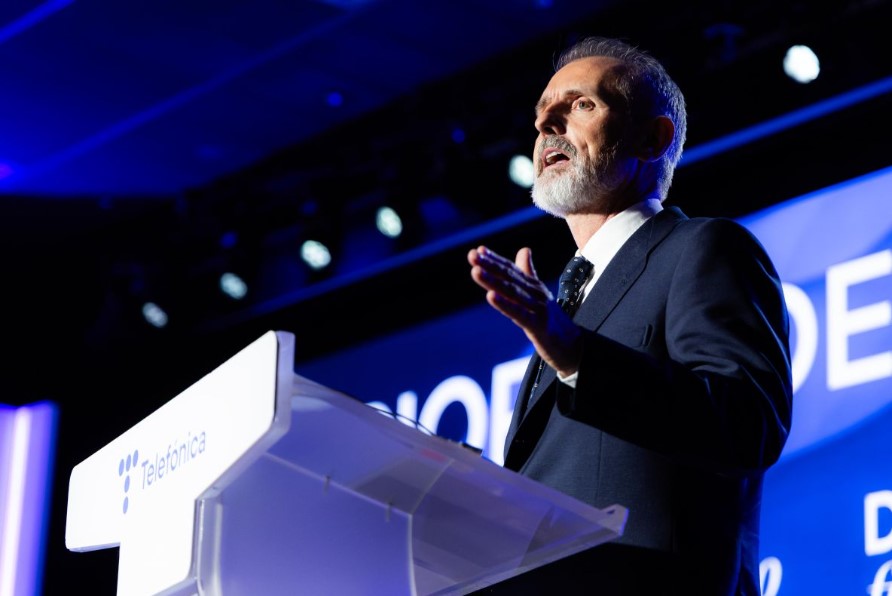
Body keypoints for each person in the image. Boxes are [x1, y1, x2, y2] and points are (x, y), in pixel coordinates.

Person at [467, 36, 792, 595]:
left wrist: (575, 353)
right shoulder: (568, 300)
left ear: (652, 138)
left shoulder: (703, 249)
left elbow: (747, 425)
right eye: (542, 114)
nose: (546, 125)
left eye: (581, 104)